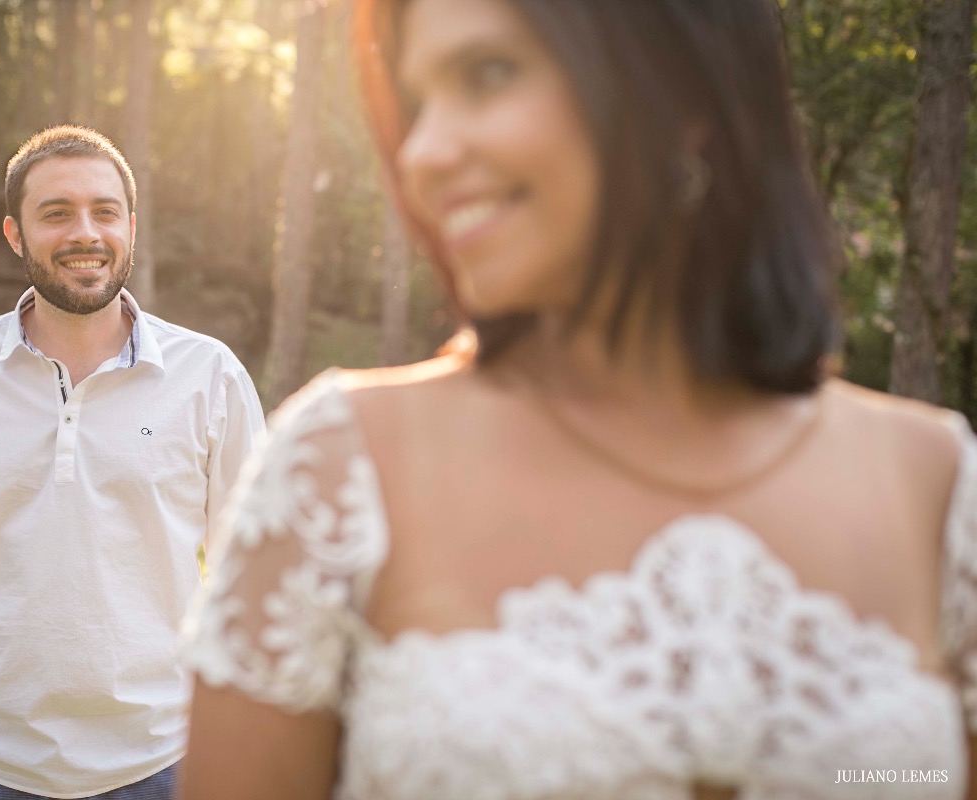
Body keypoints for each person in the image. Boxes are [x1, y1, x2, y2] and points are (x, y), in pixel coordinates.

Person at [178, 0, 977, 798]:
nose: (422, 152)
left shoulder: (934, 480)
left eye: (488, 74)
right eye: (416, 105)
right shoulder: (340, 470)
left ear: (681, 89)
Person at [0, 125, 265, 800]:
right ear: (15, 234)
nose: (85, 233)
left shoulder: (210, 376)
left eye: (105, 212)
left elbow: (254, 582)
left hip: (163, 764)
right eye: (56, 213)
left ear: (131, 227)